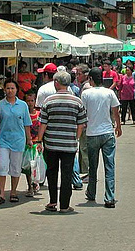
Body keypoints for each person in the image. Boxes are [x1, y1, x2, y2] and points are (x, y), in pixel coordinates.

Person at [36, 71, 87, 213]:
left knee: (52, 173)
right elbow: (81, 124)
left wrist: (39, 141)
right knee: (67, 174)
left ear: (56, 83)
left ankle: (52, 202)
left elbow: (43, 124)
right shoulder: (77, 101)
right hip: (69, 145)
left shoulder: (49, 101)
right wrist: (75, 138)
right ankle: (64, 205)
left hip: (51, 144)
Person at [81, 68, 122, 208]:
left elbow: (82, 113)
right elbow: (116, 111)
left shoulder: (86, 93)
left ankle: (91, 192)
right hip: (107, 133)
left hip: (92, 133)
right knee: (109, 165)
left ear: (91, 79)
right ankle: (109, 197)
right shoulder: (109, 93)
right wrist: (118, 126)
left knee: (93, 166)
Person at [0, 80, 32, 206]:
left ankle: (13, 192)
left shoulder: (23, 105)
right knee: (1, 165)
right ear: (4, 89)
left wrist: (29, 139)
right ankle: (1, 194)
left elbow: (27, 124)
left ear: (16, 90)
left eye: (12, 88)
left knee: (15, 167)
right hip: (3, 140)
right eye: (8, 88)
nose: (10, 90)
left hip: (18, 140)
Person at [23, 90, 41, 197]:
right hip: (27, 144)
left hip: (37, 143)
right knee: (28, 167)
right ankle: (30, 185)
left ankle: (35, 183)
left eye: (32, 100)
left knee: (36, 165)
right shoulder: (24, 114)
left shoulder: (39, 114)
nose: (30, 103)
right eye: (28, 101)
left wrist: (40, 141)